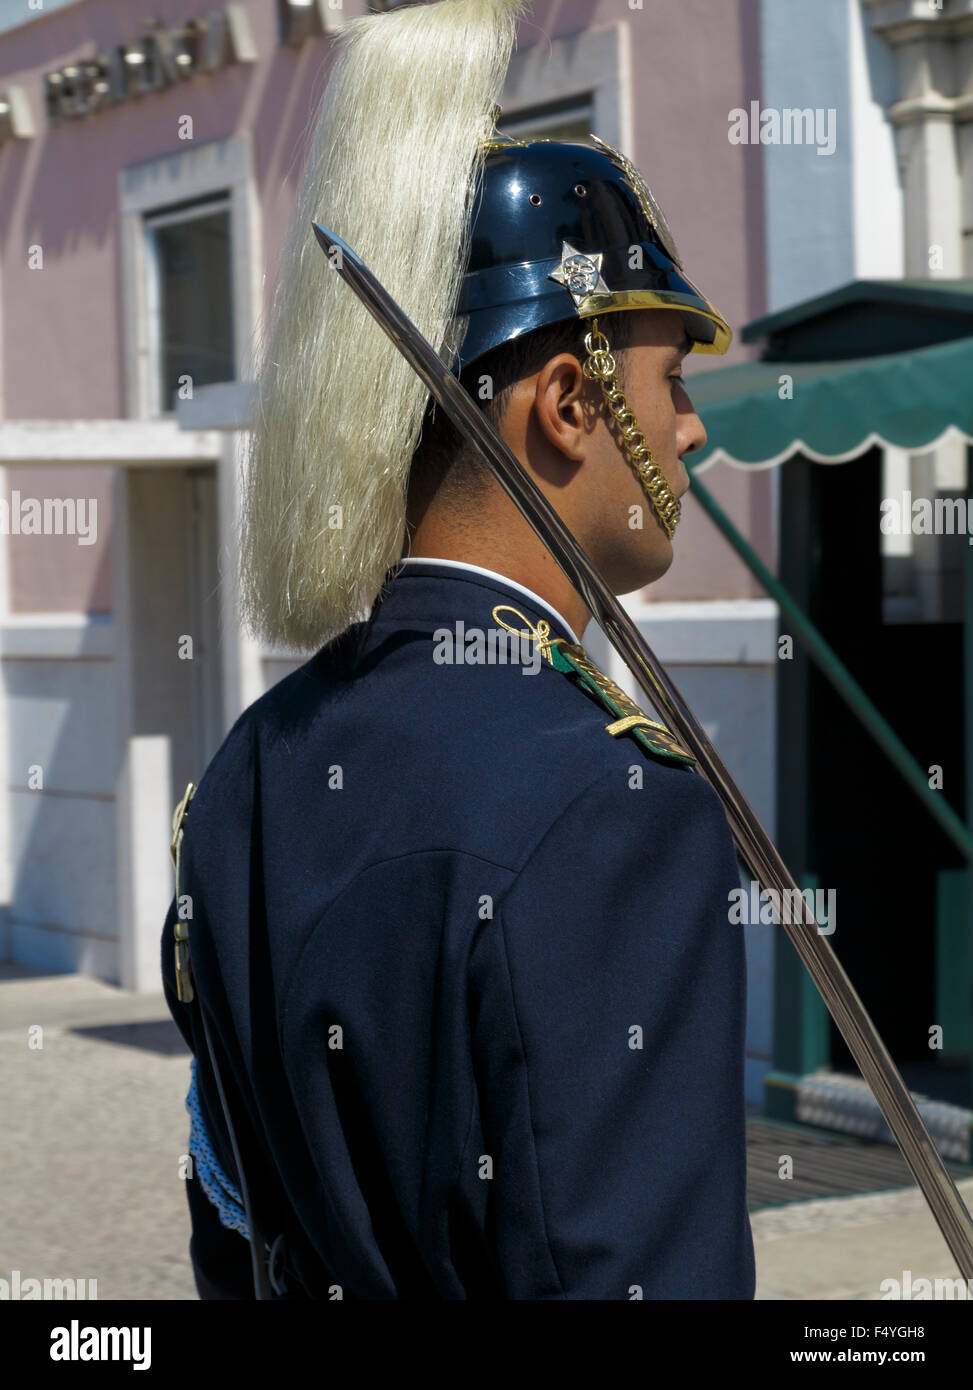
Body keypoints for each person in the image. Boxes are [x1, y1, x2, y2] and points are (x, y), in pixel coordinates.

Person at [161, 0, 755, 1300]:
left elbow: (231, 1241)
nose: (696, 437)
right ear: (566, 406)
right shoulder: (614, 808)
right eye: (673, 388)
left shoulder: (248, 769)